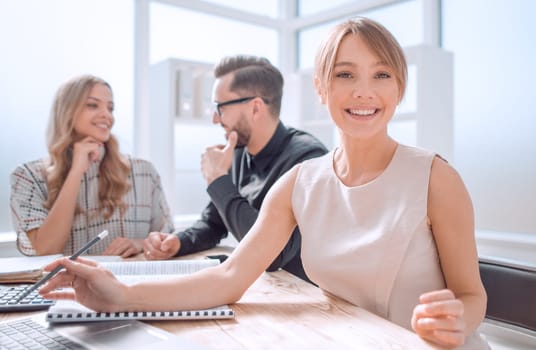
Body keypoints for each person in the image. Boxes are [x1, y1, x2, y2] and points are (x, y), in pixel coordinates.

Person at [39, 18, 488, 349]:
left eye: (382, 75)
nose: (363, 92)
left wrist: (456, 319)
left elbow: (472, 296)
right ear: (320, 87)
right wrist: (120, 295)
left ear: (399, 87)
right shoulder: (299, 183)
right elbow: (230, 277)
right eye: (345, 74)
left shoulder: (436, 178)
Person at [143, 55, 328, 282]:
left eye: (220, 108)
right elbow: (213, 223)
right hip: (260, 287)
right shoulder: (239, 153)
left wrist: (218, 179)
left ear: (255, 107)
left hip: (303, 299)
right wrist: (178, 242)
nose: (215, 119)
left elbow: (271, 255)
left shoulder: (307, 159)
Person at [10, 75, 174, 258]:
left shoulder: (143, 172)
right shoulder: (28, 177)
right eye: (92, 105)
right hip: (67, 286)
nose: (107, 115)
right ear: (66, 111)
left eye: (110, 108)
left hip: (130, 285)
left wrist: (140, 244)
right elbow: (46, 249)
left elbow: (168, 239)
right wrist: (76, 172)